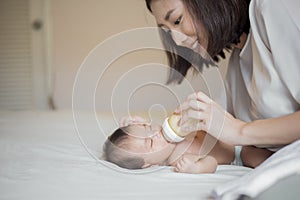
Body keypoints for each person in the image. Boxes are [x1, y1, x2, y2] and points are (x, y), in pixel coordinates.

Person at [144, 0, 300, 162]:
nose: (177, 40)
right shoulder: (236, 68)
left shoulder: (272, 7)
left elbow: (236, 134)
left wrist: (240, 131)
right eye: (168, 31)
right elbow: (234, 147)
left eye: (177, 20)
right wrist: (150, 135)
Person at [102, 116, 273, 173]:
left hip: (237, 128)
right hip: (238, 152)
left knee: (267, 129)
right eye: (151, 141)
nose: (155, 132)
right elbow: (212, 163)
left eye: (148, 127)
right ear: (149, 165)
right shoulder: (179, 160)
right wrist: (196, 168)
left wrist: (138, 122)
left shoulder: (171, 127)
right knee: (261, 158)